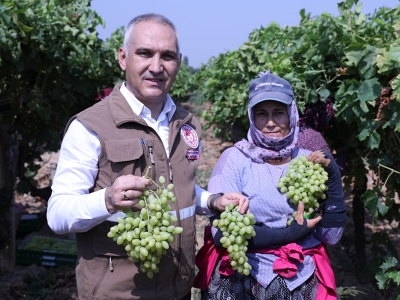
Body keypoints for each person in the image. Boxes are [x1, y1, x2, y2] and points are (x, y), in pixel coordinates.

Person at [46, 13, 248, 300]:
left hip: (178, 289)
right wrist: (108, 199)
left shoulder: (189, 124)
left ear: (178, 61)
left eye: (167, 56)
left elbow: (182, 188)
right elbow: (57, 214)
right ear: (123, 58)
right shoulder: (89, 127)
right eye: (145, 53)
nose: (157, 66)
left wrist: (213, 200)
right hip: (115, 293)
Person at [194, 70, 346, 299]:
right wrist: (291, 233)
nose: (271, 122)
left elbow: (332, 236)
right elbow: (221, 232)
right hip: (242, 283)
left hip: (301, 281)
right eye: (262, 114)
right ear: (251, 116)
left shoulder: (309, 161)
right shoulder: (234, 159)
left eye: (279, 112)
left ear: (292, 114)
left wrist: (333, 176)